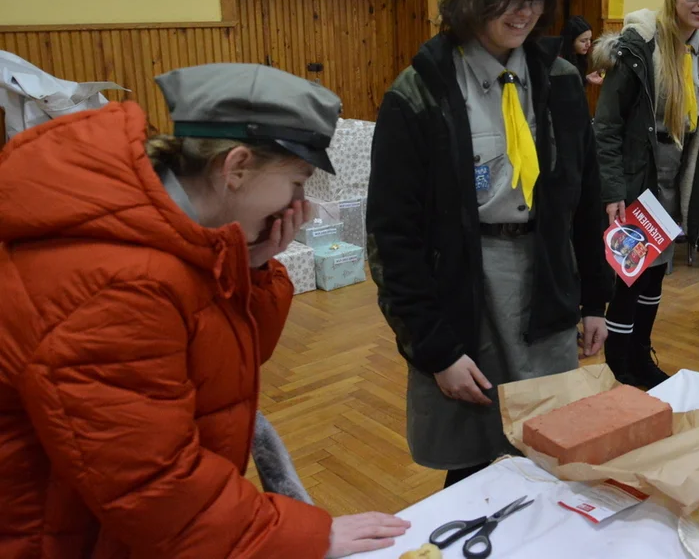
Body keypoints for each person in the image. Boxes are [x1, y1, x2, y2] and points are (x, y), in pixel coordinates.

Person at [0, 64, 411, 557]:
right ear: (235, 167)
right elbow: (153, 485)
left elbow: (224, 367)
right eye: (297, 182)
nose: (298, 205)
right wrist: (305, 535)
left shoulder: (175, 236)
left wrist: (253, 266)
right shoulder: (121, 282)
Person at [367, 0, 611, 489]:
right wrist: (434, 349)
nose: (523, 12)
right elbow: (392, 235)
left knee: (552, 449)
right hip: (464, 284)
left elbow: (585, 198)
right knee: (475, 460)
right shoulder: (420, 93)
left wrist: (596, 299)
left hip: (546, 276)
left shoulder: (560, 81)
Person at [592, 0, 699, 388]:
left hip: (675, 184)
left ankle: (640, 357)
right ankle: (619, 368)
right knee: (630, 278)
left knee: (655, 275)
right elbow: (607, 126)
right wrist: (613, 190)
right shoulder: (639, 46)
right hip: (638, 180)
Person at [559, 15, 604, 85]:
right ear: (571, 41)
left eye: (590, 39)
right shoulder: (559, 61)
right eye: (583, 41)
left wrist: (586, 79)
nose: (588, 44)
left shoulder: (580, 57)